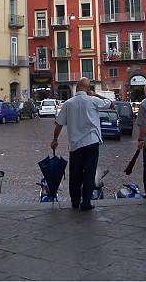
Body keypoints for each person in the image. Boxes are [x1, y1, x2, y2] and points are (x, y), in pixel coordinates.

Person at [51, 77, 114, 210]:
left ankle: (75, 201)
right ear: (88, 89)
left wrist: (55, 139)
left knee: (75, 173)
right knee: (89, 172)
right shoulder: (93, 100)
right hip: (92, 141)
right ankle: (86, 202)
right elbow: (111, 103)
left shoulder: (68, 103)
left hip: (75, 144)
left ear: (77, 87)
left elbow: (59, 124)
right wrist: (96, 94)